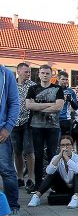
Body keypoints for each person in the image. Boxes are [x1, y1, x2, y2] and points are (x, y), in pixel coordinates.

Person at [26, 65, 64, 192]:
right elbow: (28, 106)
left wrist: (38, 106)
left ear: (51, 75)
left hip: (53, 127)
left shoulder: (57, 88)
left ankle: (53, 184)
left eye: (47, 73)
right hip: (36, 126)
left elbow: (59, 107)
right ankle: (38, 184)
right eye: (42, 73)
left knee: (52, 155)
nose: (45, 75)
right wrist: (50, 104)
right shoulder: (33, 88)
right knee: (38, 155)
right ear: (39, 74)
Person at [27, 135, 78, 209]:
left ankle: (76, 198)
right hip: (62, 186)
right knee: (53, 172)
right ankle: (36, 196)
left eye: (67, 145)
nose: (65, 147)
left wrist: (66, 158)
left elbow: (77, 170)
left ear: (72, 146)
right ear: (60, 147)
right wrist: (60, 156)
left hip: (76, 187)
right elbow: (49, 171)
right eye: (63, 145)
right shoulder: (56, 158)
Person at [11, 62, 36, 194]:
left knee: (29, 150)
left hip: (28, 121)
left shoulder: (32, 85)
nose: (28, 74)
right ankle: (19, 176)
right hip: (13, 122)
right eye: (26, 71)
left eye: (29, 71)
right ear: (18, 71)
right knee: (17, 151)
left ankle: (30, 178)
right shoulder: (11, 84)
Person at [0, 65, 21, 216]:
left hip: (2, 133)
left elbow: (14, 103)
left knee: (7, 170)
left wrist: (8, 127)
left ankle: (13, 207)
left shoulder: (6, 74)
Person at [57, 71, 78, 135]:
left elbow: (76, 107)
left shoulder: (70, 91)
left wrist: (70, 100)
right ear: (58, 79)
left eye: (66, 79)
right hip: (54, 119)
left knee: (65, 141)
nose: (65, 81)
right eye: (63, 79)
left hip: (65, 119)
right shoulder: (53, 89)